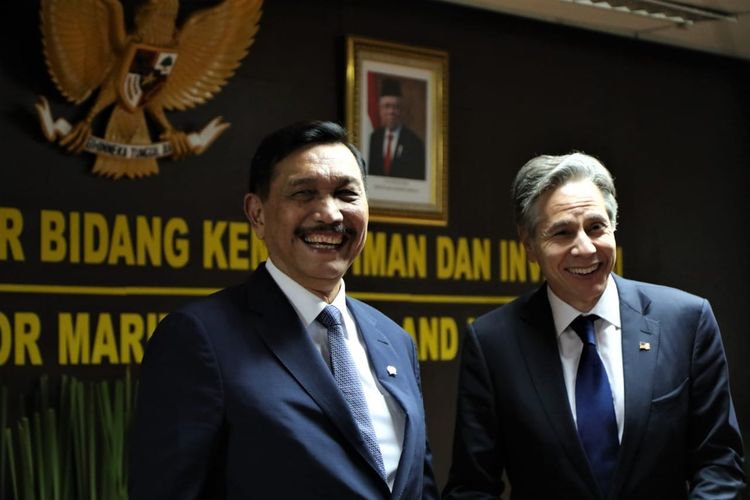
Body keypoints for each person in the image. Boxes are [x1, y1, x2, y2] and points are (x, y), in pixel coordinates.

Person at [129, 120, 438, 499]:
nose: (330, 214)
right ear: (257, 214)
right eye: (304, 193)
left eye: (346, 193)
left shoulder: (395, 340)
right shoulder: (199, 338)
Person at [443, 152, 745, 499]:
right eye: (562, 232)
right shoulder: (492, 343)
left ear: (614, 225)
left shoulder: (687, 321)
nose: (585, 248)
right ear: (528, 244)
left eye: (596, 227)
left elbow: (719, 464)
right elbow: (472, 486)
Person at [368, 78, 426, 180]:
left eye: (396, 107)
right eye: (387, 106)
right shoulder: (372, 139)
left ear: (402, 110)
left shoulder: (415, 143)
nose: (391, 111)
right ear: (380, 110)